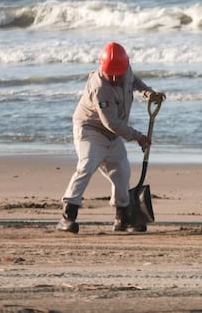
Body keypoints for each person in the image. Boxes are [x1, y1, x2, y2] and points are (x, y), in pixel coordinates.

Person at [57, 42, 166, 234]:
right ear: (102, 67)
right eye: (111, 74)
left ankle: (122, 217)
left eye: (119, 73)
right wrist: (138, 137)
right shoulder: (100, 86)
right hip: (91, 130)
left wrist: (147, 92)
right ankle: (68, 215)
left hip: (113, 135)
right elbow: (111, 123)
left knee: (122, 172)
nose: (115, 78)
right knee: (87, 165)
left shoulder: (124, 70)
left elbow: (134, 80)